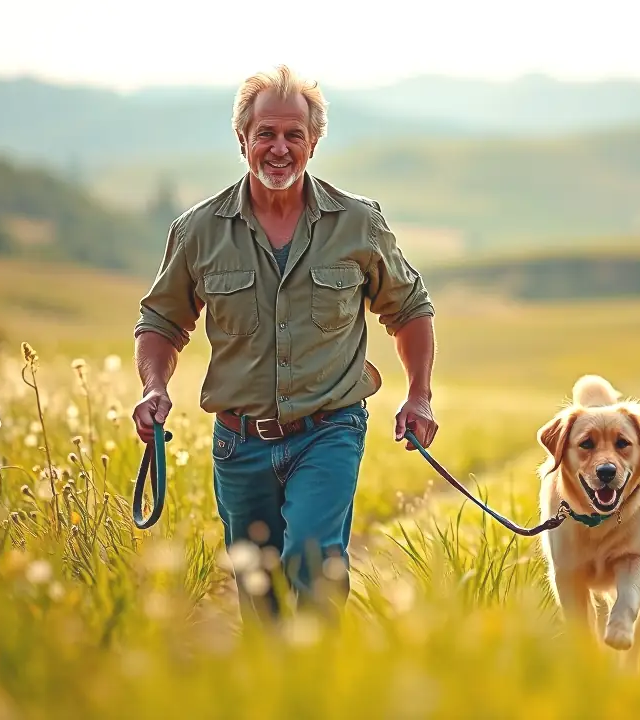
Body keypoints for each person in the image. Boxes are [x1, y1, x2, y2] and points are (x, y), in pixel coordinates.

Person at [130, 64, 438, 624]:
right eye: (265, 134)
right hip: (238, 444)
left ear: (314, 142)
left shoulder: (358, 223)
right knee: (259, 590)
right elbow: (161, 321)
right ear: (241, 139)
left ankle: (319, 682)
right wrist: (154, 388)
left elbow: (410, 309)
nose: (279, 148)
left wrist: (419, 394)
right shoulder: (197, 231)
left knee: (313, 562)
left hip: (329, 432)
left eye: (293, 134)